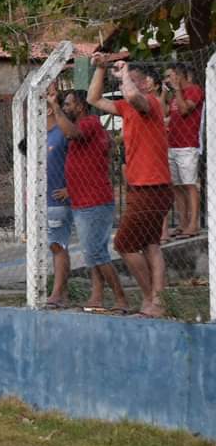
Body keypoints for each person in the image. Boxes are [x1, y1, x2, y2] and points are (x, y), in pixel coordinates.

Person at [88, 56, 172, 318]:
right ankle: (157, 300)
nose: (126, 87)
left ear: (148, 83)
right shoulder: (126, 108)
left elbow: (135, 97)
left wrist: (125, 74)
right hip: (144, 186)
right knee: (150, 245)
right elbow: (93, 99)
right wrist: (101, 69)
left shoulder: (153, 105)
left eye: (133, 81)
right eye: (125, 82)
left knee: (124, 244)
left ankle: (150, 298)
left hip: (151, 185)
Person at [49, 90, 129, 313]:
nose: (65, 108)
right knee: (92, 252)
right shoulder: (92, 127)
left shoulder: (90, 123)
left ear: (82, 106)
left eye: (68, 104)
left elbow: (70, 132)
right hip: (84, 200)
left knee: (96, 253)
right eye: (63, 105)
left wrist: (54, 107)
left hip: (94, 201)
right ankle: (97, 296)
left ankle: (121, 298)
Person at [163, 63, 203, 239]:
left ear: (179, 76)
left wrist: (177, 90)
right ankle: (183, 223)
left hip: (187, 145)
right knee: (177, 186)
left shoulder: (194, 90)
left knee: (189, 184)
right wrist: (166, 94)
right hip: (173, 145)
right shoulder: (173, 96)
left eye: (170, 76)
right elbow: (168, 114)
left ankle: (193, 224)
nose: (167, 79)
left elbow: (185, 110)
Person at [43, 96, 73, 308]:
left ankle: (57, 293)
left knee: (58, 245)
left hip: (57, 201)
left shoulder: (61, 134)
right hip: (42, 200)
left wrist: (70, 188)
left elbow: (79, 162)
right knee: (53, 245)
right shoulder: (40, 136)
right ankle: (62, 292)